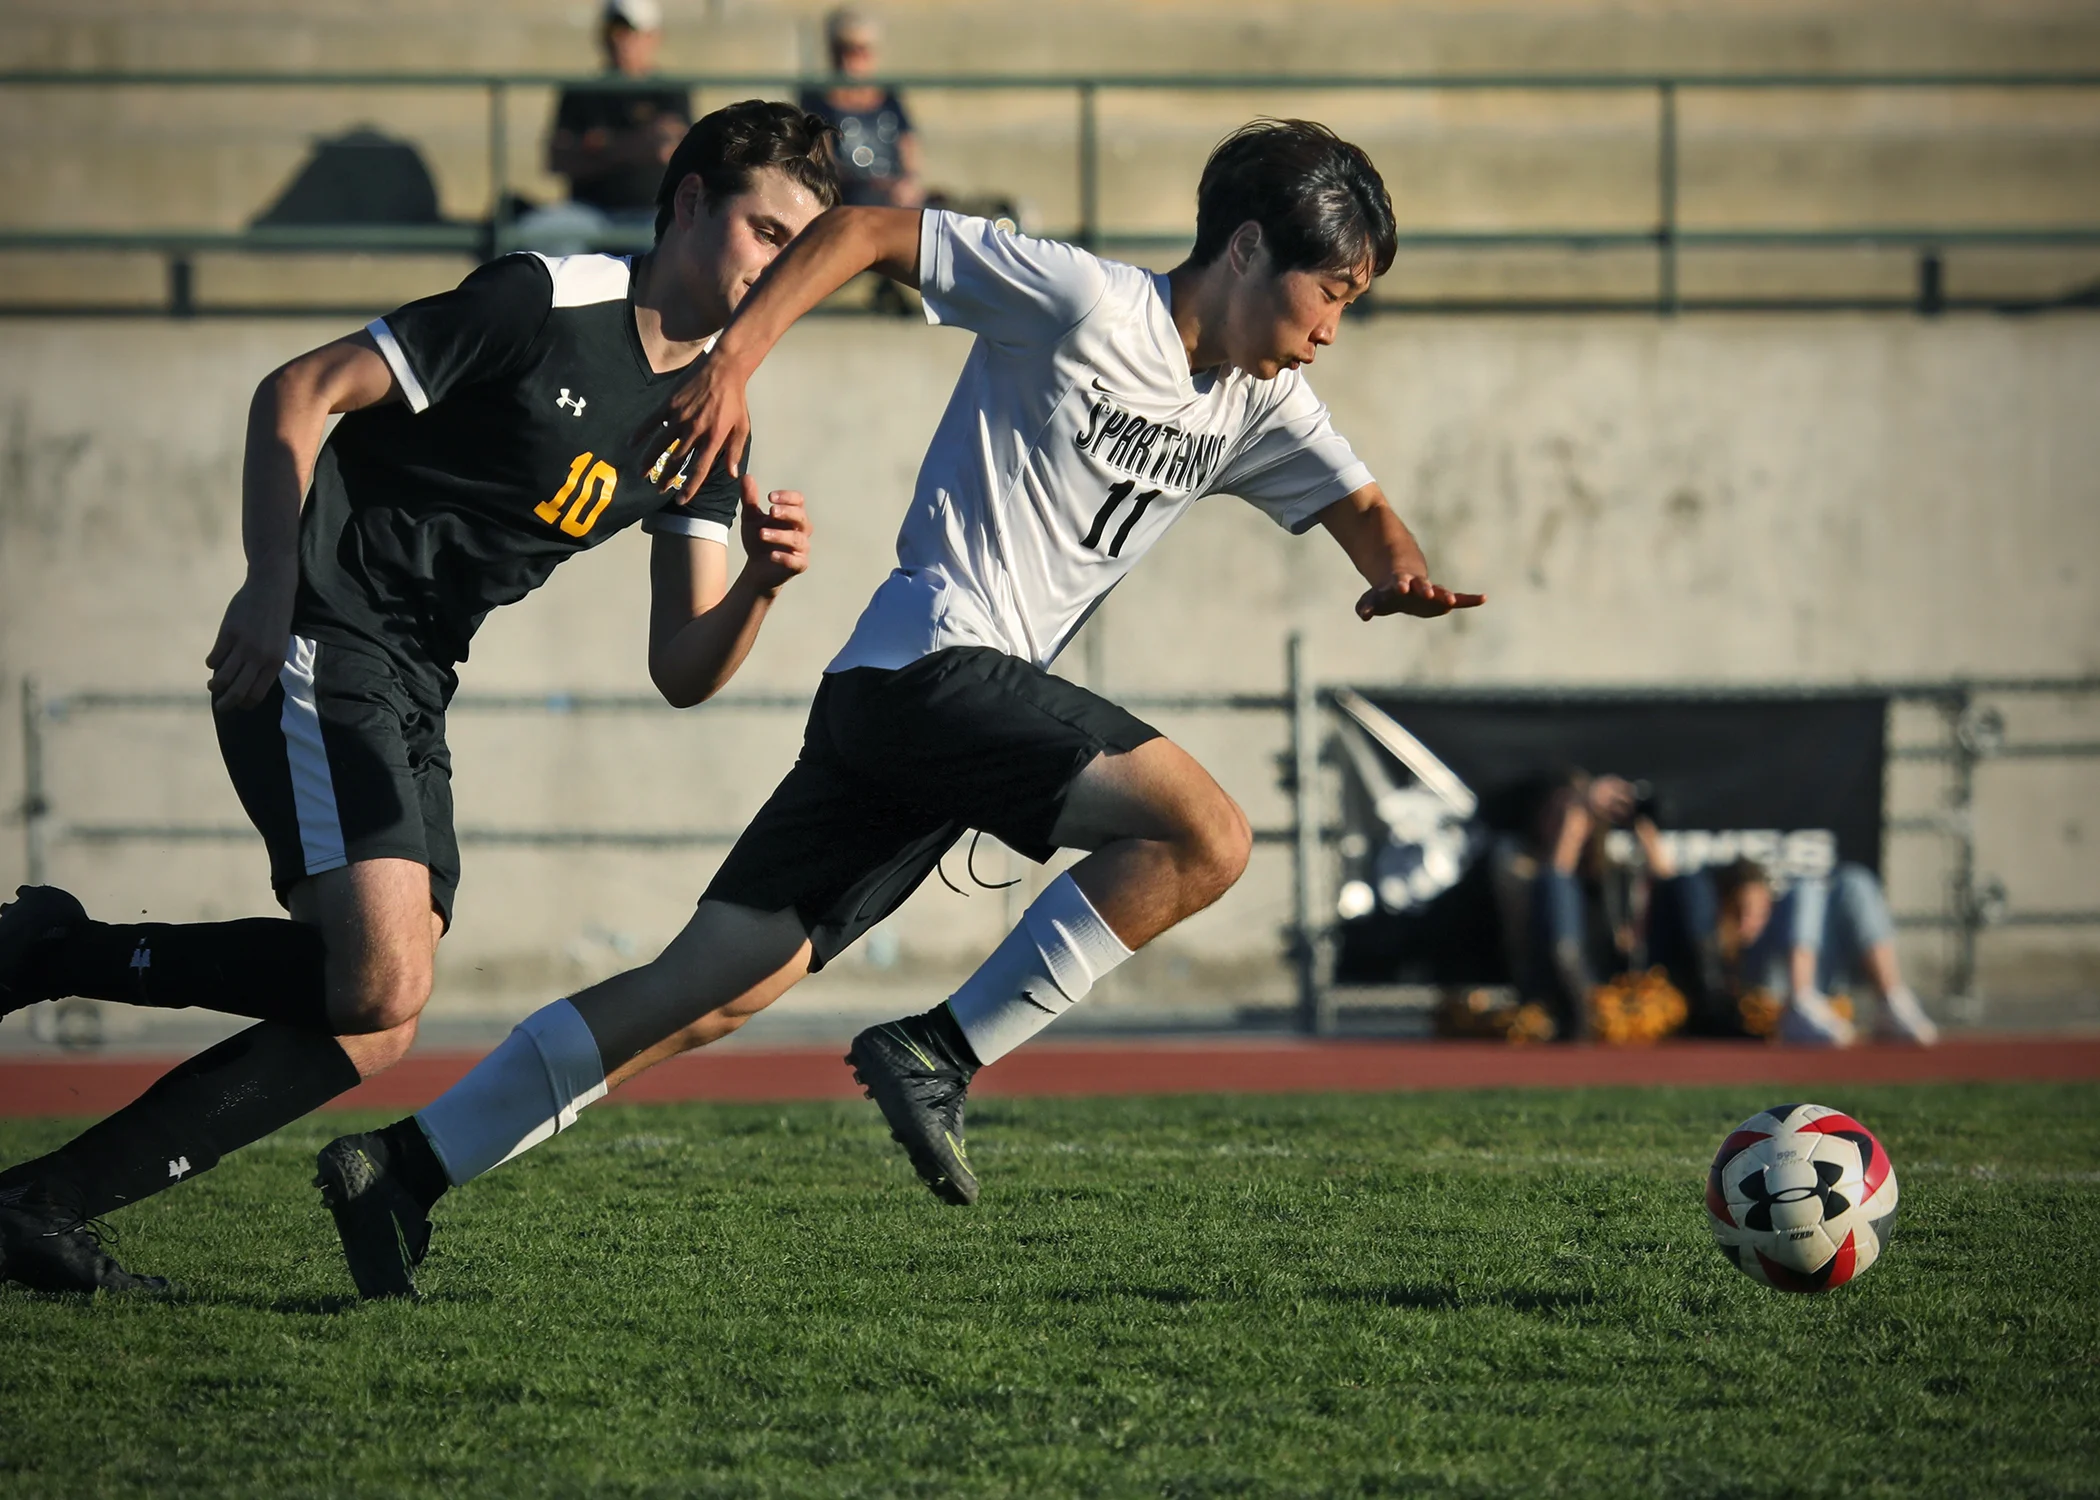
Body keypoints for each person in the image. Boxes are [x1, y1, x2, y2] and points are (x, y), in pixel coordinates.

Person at [318, 119, 1484, 1300]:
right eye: (1330, 294)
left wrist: (1396, 569)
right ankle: (940, 1052)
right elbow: (868, 230)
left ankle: (404, 1167)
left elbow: (1359, 501)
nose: (1331, 329)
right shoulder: (1087, 302)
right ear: (1245, 250)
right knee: (1208, 834)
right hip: (931, 667)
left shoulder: (1261, 401)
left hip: (913, 712)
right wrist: (734, 363)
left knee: (711, 990)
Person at [0, 102, 839, 1294]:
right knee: (380, 980)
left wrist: (761, 584)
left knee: (380, 1019)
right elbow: (299, 391)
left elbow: (682, 669)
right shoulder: (545, 300)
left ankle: (38, 1195)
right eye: (767, 231)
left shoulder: (714, 419)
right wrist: (269, 583)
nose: (779, 267)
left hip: (415, 681)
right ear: (692, 201)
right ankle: (50, 960)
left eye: (801, 249)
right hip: (325, 630)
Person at [1702, 856, 1938, 1047]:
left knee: (1855, 881)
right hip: (1769, 984)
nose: (1747, 922)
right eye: (1739, 912)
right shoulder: (1714, 935)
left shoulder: (1780, 917)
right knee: (1805, 887)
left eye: (1757, 912)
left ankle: (1890, 998)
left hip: (1822, 979)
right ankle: (1800, 1003)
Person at [519, 0, 693, 254]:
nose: (620, 40)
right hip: (588, 212)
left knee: (665, 241)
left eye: (630, 31)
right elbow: (558, 159)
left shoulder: (670, 92)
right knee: (532, 234)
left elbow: (669, 149)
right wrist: (639, 145)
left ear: (653, 37)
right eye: (614, 30)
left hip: (648, 212)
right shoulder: (581, 91)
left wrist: (599, 146)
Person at [798, 10, 922, 209]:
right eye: (844, 50)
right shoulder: (817, 102)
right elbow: (825, 163)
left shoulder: (889, 99)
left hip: (893, 194)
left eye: (860, 50)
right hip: (851, 195)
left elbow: (909, 151)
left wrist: (908, 182)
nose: (850, 60)